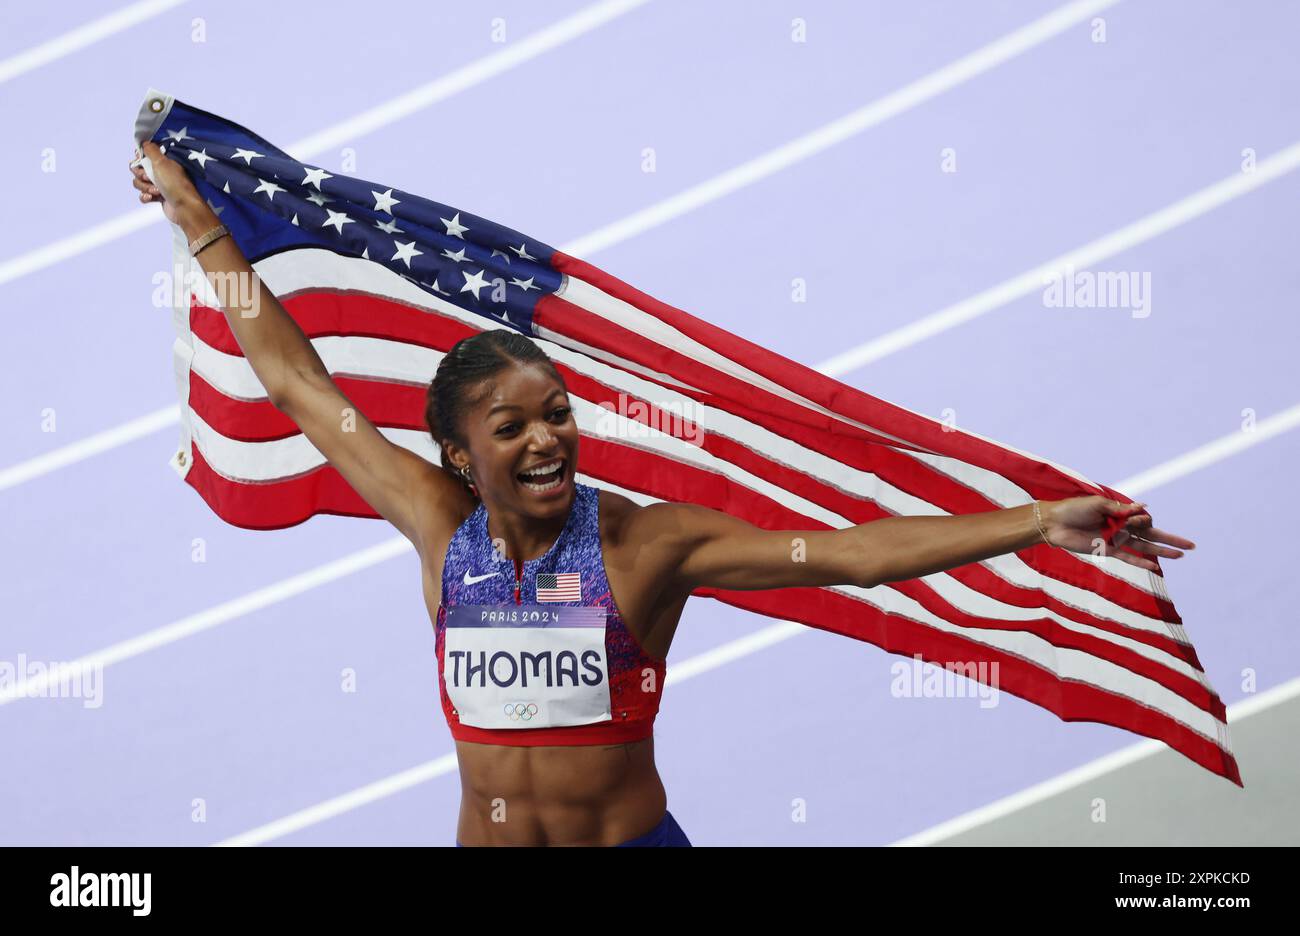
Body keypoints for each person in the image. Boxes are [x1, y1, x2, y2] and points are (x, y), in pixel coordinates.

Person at [130, 141, 1196, 847]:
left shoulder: (649, 549)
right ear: (461, 455)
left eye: (558, 413)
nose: (549, 438)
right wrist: (201, 226)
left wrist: (1038, 522)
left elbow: (849, 555)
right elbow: (296, 381)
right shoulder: (435, 523)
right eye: (514, 427)